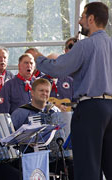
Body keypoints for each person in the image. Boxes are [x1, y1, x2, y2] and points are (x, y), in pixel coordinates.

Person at [35, 2, 112, 179]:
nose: (79, 21)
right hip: (110, 107)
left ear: (91, 19)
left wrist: (38, 58)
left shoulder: (85, 45)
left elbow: (59, 68)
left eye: (82, 16)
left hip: (91, 108)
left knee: (87, 168)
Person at [11, 78, 73, 179]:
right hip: (30, 157)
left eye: (47, 91)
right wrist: (26, 141)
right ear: (32, 93)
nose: (44, 93)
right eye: (41, 90)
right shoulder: (20, 113)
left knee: (72, 166)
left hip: (53, 158)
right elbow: (12, 139)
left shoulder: (54, 111)